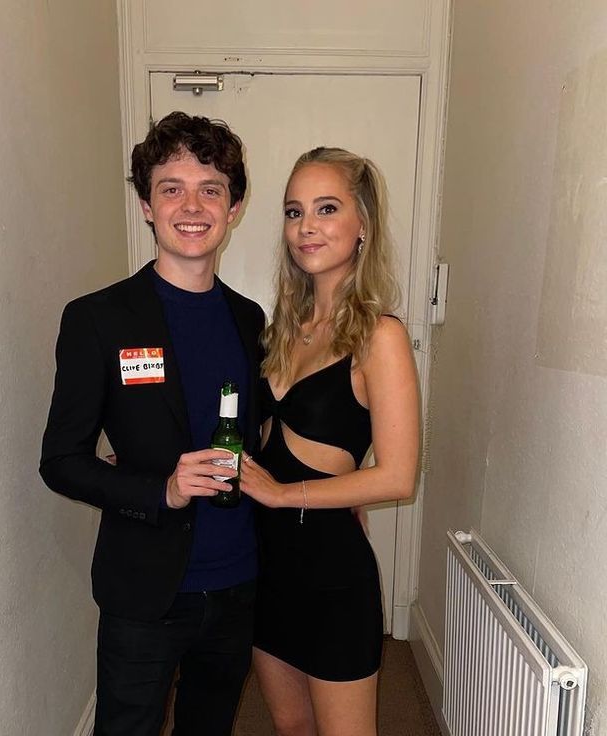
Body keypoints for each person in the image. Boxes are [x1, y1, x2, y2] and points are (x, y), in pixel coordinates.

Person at [39, 111, 265, 736]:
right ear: (146, 204)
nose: (191, 205)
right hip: (145, 589)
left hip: (238, 579)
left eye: (210, 188)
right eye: (171, 188)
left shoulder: (250, 320)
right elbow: (61, 460)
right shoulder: (98, 320)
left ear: (234, 206)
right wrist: (159, 489)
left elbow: (263, 432)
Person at [239, 147, 420, 736]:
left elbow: (398, 476)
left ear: (362, 223)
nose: (306, 226)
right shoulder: (283, 329)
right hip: (267, 566)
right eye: (294, 212)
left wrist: (282, 494)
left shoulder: (380, 336)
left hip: (331, 575)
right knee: (291, 727)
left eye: (326, 208)